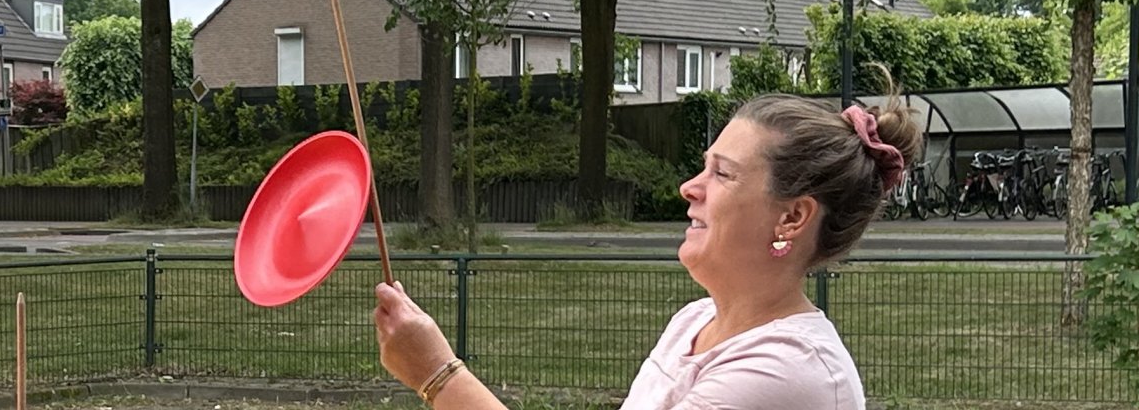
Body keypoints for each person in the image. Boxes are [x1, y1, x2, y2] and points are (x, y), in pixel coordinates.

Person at [372, 89, 922, 409]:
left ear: (793, 217)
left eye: (723, 173)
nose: (689, 187)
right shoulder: (694, 323)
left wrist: (438, 375)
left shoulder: (788, 371)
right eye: (704, 166)